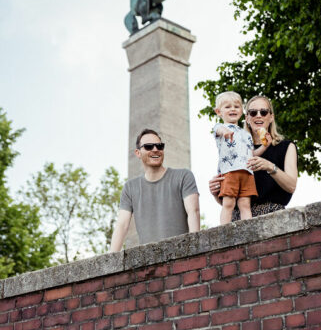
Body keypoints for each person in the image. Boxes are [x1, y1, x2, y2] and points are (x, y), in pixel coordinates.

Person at [110, 129, 200, 251]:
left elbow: (193, 212)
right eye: (148, 147)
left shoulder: (184, 176)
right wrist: (110, 261)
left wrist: (196, 249)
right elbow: (122, 225)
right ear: (138, 153)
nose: (155, 149)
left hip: (182, 257)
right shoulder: (130, 188)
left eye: (159, 146)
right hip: (149, 263)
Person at [210, 95, 298, 218]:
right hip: (239, 218)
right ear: (247, 118)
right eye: (252, 112)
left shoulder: (285, 146)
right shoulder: (236, 145)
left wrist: (270, 167)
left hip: (272, 214)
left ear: (271, 117)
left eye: (263, 112)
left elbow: (291, 186)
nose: (258, 115)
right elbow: (228, 201)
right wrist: (215, 193)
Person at [213, 91, 268, 224]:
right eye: (228, 107)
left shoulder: (246, 134)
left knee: (245, 204)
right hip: (229, 171)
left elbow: (252, 154)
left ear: (242, 111)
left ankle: (247, 230)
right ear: (219, 112)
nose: (233, 109)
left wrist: (266, 145)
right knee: (229, 203)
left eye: (236, 106)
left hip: (247, 172)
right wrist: (225, 132)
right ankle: (223, 230)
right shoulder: (220, 127)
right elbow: (219, 131)